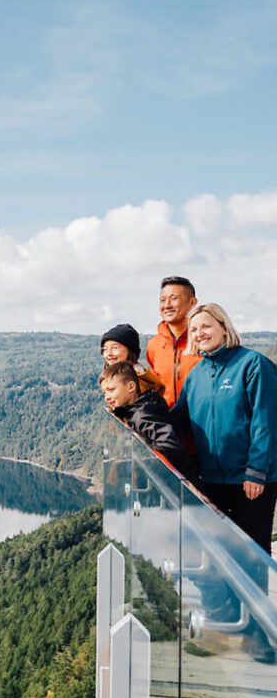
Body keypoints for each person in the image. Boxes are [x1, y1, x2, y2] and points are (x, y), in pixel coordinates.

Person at [172, 302, 277, 663]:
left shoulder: (253, 365)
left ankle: (259, 635)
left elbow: (266, 422)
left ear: (223, 326)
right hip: (210, 482)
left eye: (206, 326)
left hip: (250, 482)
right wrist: (134, 413)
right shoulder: (197, 375)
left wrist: (256, 472)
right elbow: (178, 423)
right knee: (215, 560)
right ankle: (225, 629)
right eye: (195, 329)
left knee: (252, 559)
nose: (200, 333)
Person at [99, 361, 195, 481]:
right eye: (104, 393)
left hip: (175, 483)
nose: (107, 397)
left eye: (111, 390)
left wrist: (145, 470)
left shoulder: (142, 416)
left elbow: (170, 445)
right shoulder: (140, 409)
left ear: (131, 387)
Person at [146, 276, 201, 407]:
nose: (167, 305)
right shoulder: (154, 345)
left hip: (201, 422)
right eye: (162, 300)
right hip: (167, 423)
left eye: (174, 298)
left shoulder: (204, 341)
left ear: (193, 302)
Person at [100, 323, 165, 396]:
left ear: (131, 351)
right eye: (105, 349)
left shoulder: (139, 381)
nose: (109, 354)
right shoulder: (122, 375)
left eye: (115, 348)